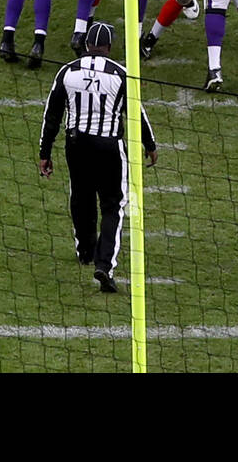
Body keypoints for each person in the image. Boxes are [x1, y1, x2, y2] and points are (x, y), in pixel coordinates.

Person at [38, 22, 157, 294]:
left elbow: (52, 114)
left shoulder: (67, 71)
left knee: (81, 195)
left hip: (75, 143)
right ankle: (105, 264)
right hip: (108, 146)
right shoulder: (121, 73)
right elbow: (136, 112)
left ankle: (85, 249)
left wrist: (45, 152)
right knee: (113, 204)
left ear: (86, 44)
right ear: (110, 47)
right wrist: (150, 144)